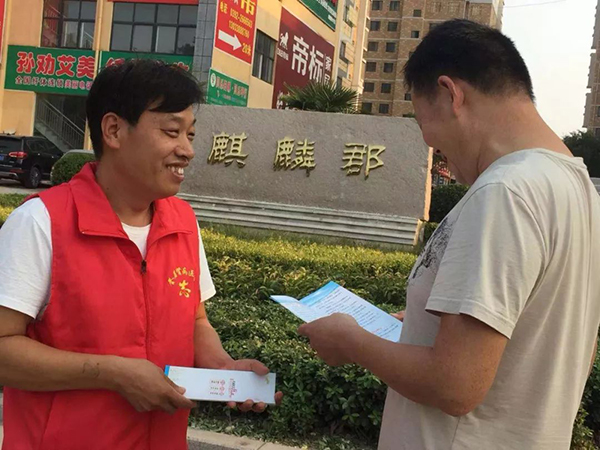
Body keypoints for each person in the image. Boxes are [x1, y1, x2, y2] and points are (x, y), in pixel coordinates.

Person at [298, 19, 600, 450]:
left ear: (450, 94)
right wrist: (424, 324)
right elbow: (556, 339)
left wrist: (350, 341)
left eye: (429, 132)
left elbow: (456, 385)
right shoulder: (580, 191)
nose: (439, 156)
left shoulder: (504, 192)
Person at [0, 59, 281, 450]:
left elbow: (195, 319)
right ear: (114, 130)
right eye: (171, 132)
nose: (187, 151)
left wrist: (223, 367)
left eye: (190, 135)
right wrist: (114, 374)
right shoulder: (41, 222)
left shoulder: (182, 222)